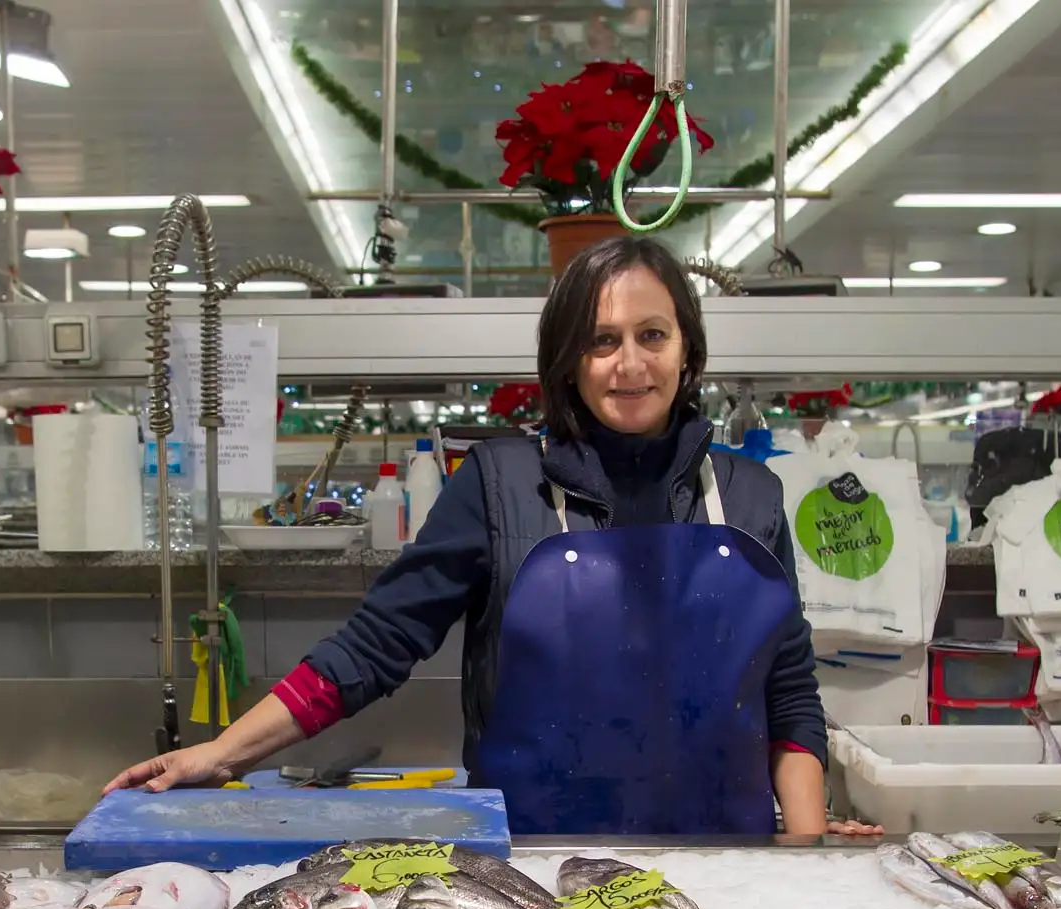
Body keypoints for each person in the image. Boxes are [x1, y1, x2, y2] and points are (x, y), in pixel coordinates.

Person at [109, 235, 877, 838]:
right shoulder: (500, 483)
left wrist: (801, 855)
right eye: (602, 340)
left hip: (727, 863)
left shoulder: (749, 497)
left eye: (653, 335)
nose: (631, 363)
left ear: (688, 350)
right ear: (567, 360)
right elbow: (375, 646)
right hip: (535, 867)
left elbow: (788, 697)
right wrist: (221, 752)